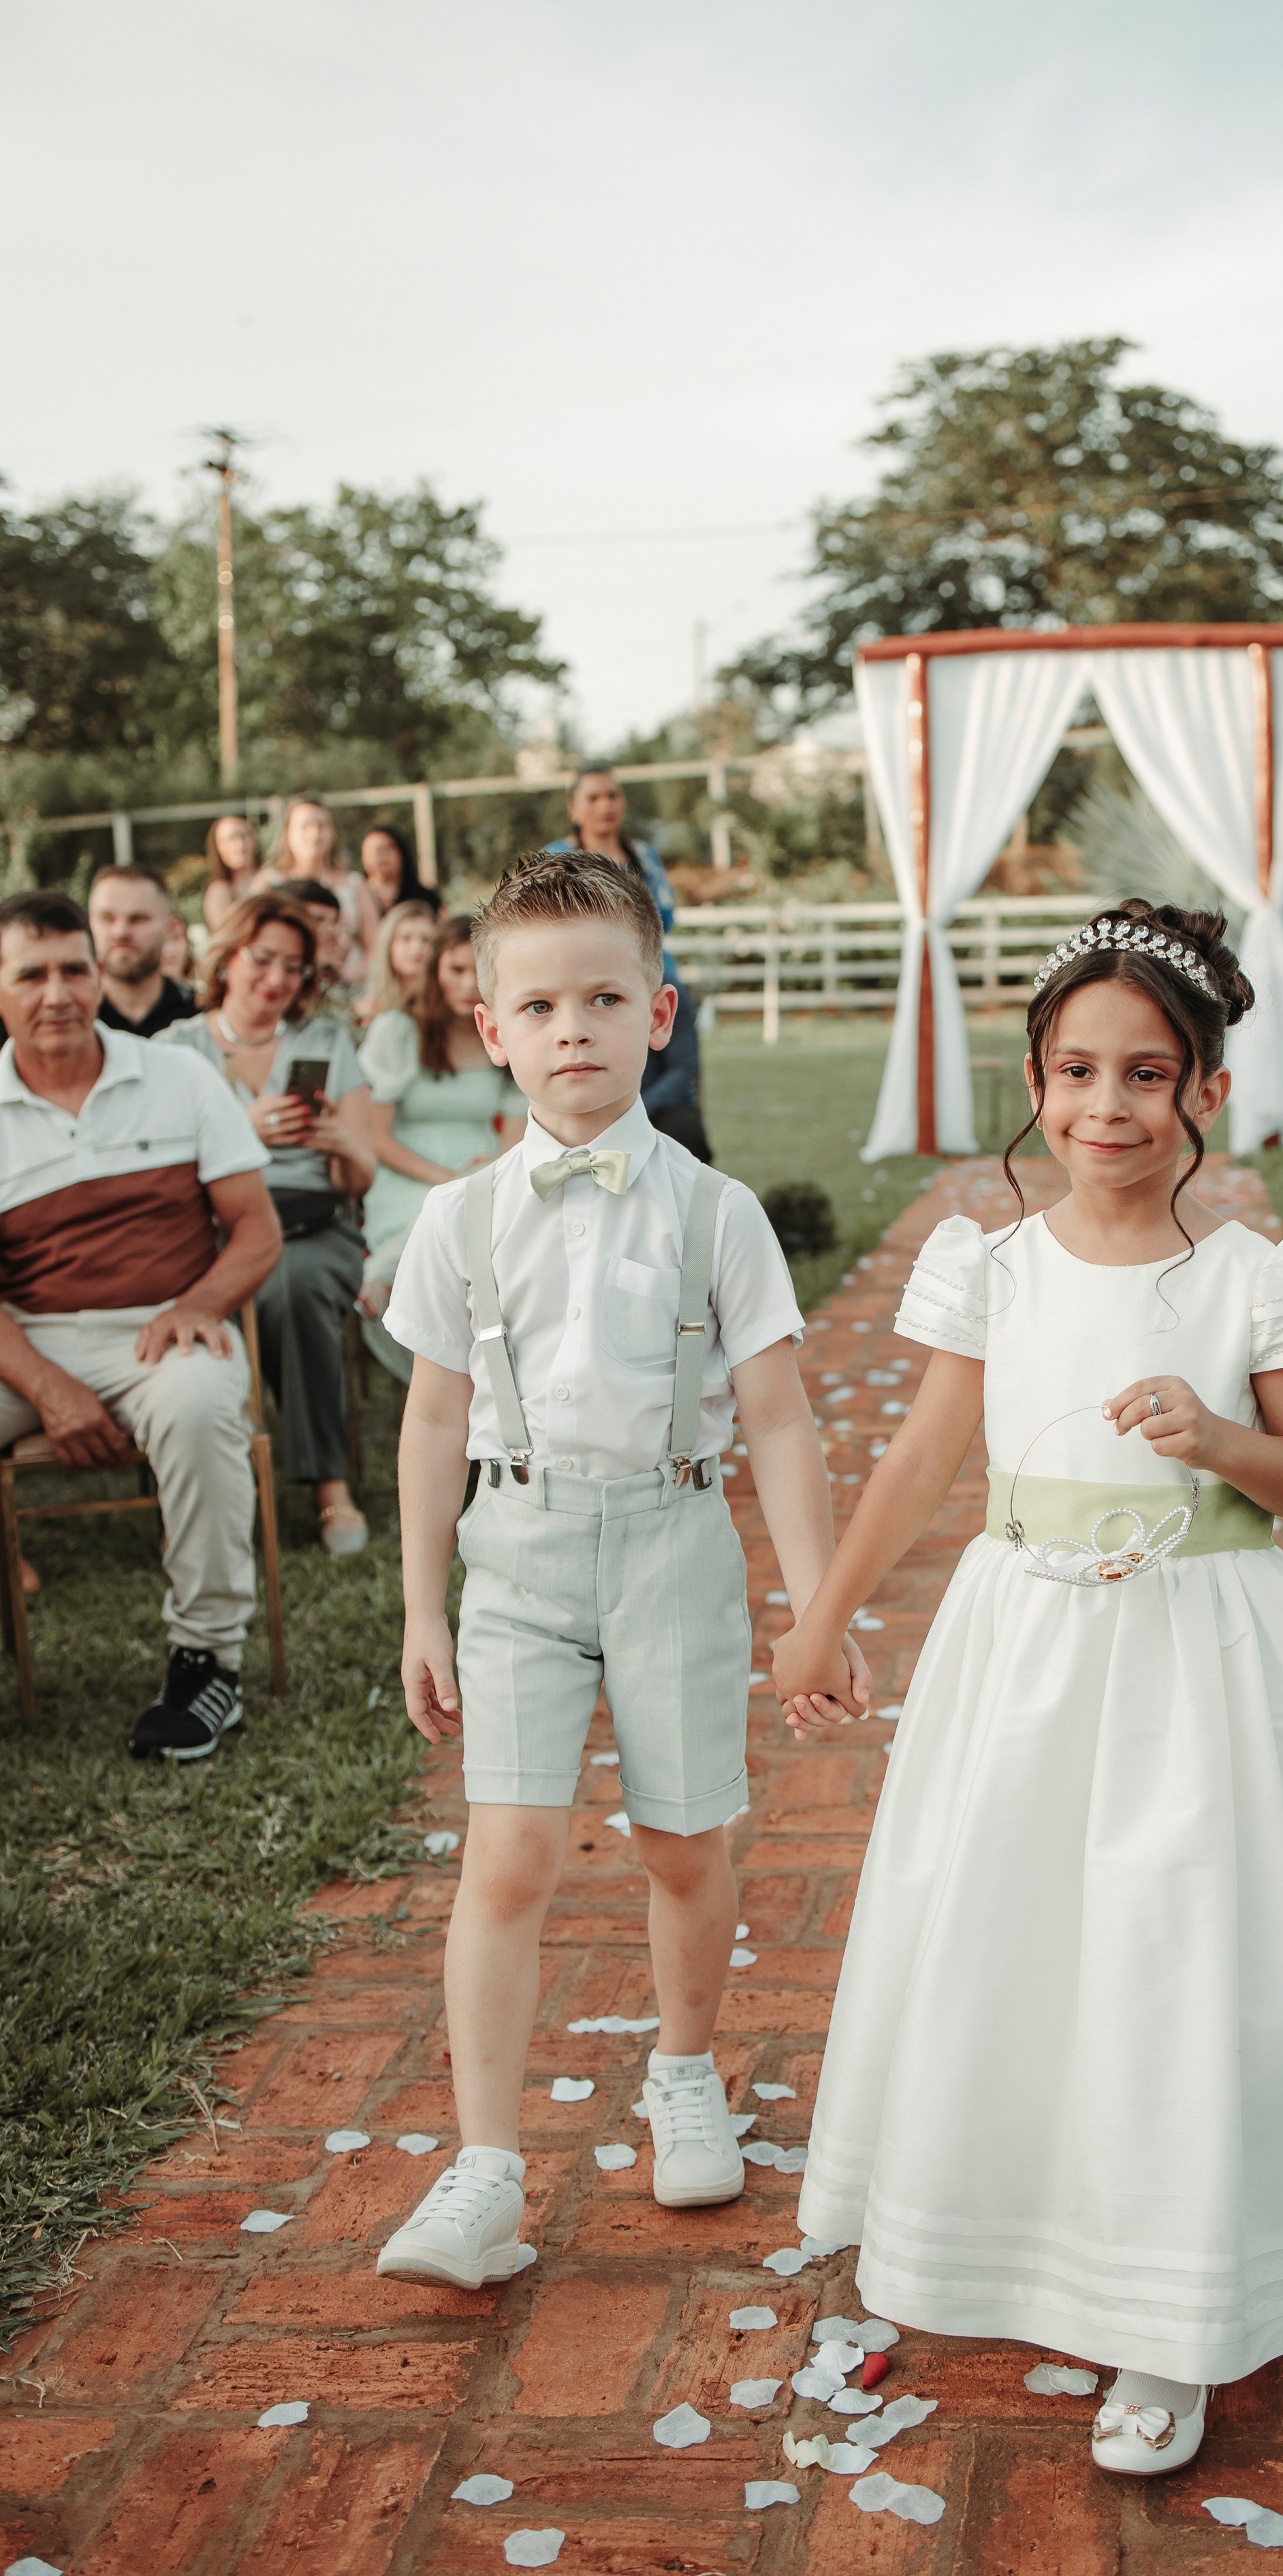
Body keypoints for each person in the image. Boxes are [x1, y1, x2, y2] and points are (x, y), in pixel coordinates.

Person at [773, 900, 1283, 2479]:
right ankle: (1034, 2232)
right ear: (1033, 1081)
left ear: (1203, 1093)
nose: (1107, 1108)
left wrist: (1216, 1437)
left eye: (1145, 1074)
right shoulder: (992, 1267)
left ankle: (1173, 2311)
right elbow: (915, 1459)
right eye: (1077, 1072)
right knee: (1021, 1946)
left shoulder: (1256, 1273)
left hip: (1205, 1648)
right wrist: (823, 1612)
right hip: (1020, 1650)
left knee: (1177, 1956)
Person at [374, 849, 867, 2288]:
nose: (571, 1029)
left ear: (659, 1014)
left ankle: (685, 2069)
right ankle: (482, 2166)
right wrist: (423, 1607)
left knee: (678, 1842)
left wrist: (815, 1609)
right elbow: (434, 1418)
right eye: (540, 1006)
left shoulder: (714, 1213)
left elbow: (776, 1418)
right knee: (510, 1854)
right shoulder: (459, 1220)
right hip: (515, 1558)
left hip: (671, 1546)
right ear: (492, 1027)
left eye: (603, 998)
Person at [0, 889, 281, 1758]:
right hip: (29, 1341)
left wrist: (197, 1304)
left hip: (165, 1329)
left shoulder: (178, 1074)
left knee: (199, 1408)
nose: (57, 993)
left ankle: (208, 1666)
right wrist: (49, 1387)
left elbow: (258, 1230)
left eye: (73, 970)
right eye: (31, 974)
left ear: (100, 975)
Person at [163, 895, 376, 1556]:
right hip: (211, 1227)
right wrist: (240, 1133)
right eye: (262, 960)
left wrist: (341, 1143)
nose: (277, 979)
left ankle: (329, 1489)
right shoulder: (176, 1048)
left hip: (313, 1219)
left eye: (294, 967)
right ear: (227, 958)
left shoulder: (326, 1042)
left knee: (295, 1282)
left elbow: (360, 1177)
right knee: (254, 1278)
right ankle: (206, 1492)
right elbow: (157, 1175)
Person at [356, 912, 527, 1380]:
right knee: (438, 1217)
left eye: (478, 970)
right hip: (408, 1168)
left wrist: (481, 1174)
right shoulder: (398, 1029)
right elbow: (377, 1137)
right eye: (455, 970)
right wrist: (447, 1181)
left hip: (484, 1164)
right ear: (435, 971)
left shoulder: (505, 1032)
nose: (468, 984)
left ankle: (490, 1366)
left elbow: (515, 1141)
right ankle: (389, 1286)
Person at [559, 766, 712, 1160]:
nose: (605, 805)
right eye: (593, 797)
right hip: (582, 976)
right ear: (574, 808)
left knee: (680, 1058)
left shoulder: (642, 855)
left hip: (650, 969)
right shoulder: (557, 856)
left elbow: (665, 917)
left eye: (612, 795)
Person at [270, 795, 377, 985]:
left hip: (351, 983)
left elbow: (376, 946)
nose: (315, 833)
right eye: (305, 826)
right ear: (287, 833)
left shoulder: (354, 883)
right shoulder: (270, 883)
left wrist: (349, 977)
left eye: (322, 825)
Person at [89, 865, 197, 1038]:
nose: (120, 932)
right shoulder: (75, 1021)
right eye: (107, 919)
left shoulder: (201, 1016)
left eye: (138, 919)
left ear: (171, 927)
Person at [272, 877, 353, 1015]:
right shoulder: (273, 984)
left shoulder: (335, 983)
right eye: (318, 920)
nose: (332, 931)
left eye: (334, 922)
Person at [355, 898, 438, 1025]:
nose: (417, 948)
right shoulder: (368, 1006)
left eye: (426, 940)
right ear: (389, 945)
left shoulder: (439, 1006)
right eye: (406, 938)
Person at [361, 823, 441, 917]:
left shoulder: (426, 899)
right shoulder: (355, 899)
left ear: (402, 853)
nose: (381, 855)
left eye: (387, 848)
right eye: (373, 850)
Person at [203, 813, 264, 934]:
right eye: (231, 839)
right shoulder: (219, 891)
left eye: (244, 836)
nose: (240, 844)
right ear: (218, 847)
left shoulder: (271, 876)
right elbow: (225, 936)